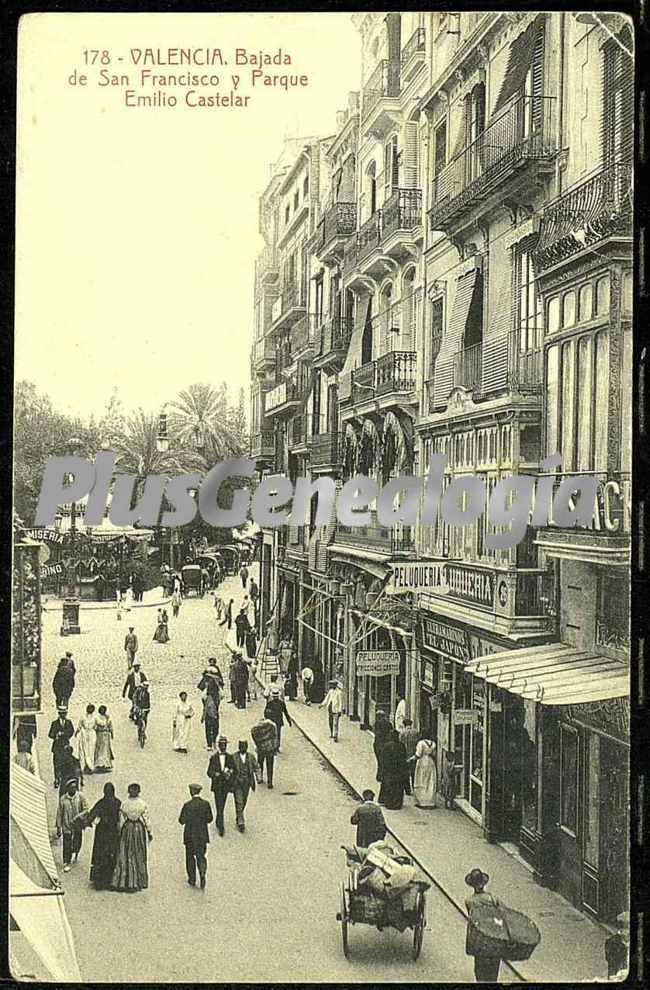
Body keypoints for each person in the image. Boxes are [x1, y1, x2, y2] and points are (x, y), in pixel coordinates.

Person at [112, 783, 153, 892]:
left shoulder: (124, 804)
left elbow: (121, 820)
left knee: (126, 854)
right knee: (138, 853)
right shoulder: (142, 804)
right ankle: (138, 881)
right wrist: (149, 832)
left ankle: (125, 881)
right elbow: (146, 819)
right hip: (138, 829)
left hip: (128, 828)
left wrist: (119, 831)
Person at [465, 868, 502, 983]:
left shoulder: (469, 901)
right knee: (493, 972)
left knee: (480, 971)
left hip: (480, 940)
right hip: (494, 938)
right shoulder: (493, 898)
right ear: (483, 884)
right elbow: (500, 915)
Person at [178, 783, 213, 888]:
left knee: (190, 857)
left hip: (189, 836)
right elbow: (210, 818)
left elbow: (181, 820)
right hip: (202, 836)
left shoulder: (187, 805)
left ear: (191, 792)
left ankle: (192, 879)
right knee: (201, 856)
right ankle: (202, 873)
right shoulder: (206, 804)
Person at [87, 782, 122, 889]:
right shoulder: (118, 803)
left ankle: (99, 880)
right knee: (111, 855)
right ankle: (110, 880)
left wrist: (87, 822)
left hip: (101, 833)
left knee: (100, 855)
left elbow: (92, 814)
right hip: (113, 833)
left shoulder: (101, 803)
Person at [56, 778, 89, 873]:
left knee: (77, 840)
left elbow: (86, 809)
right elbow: (59, 814)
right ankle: (66, 861)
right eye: (71, 788)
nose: (74, 789)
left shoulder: (80, 796)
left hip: (77, 824)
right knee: (67, 843)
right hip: (66, 825)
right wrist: (59, 827)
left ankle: (76, 852)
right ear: (68, 789)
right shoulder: (63, 799)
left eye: (75, 787)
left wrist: (79, 816)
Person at [206, 736, 235, 836]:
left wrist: (230, 772)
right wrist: (215, 774)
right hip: (217, 785)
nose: (223, 747)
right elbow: (209, 772)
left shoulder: (230, 757)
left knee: (222, 803)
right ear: (219, 746)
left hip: (226, 785)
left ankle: (219, 820)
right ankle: (220, 824)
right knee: (219, 804)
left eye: (225, 745)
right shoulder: (213, 758)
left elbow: (234, 769)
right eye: (222, 745)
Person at [377, 729, 408, 810]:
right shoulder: (401, 745)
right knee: (398, 787)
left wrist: (382, 770)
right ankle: (397, 804)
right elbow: (404, 757)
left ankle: (389, 803)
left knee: (389, 787)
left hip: (389, 770)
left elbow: (382, 758)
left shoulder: (386, 746)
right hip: (398, 770)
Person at [231, 740, 258, 832]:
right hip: (237, 783)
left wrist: (258, 778)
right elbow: (230, 768)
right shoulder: (234, 757)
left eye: (244, 747)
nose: (243, 749)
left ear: (246, 748)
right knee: (239, 801)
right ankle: (241, 821)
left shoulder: (251, 757)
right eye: (241, 747)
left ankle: (239, 815)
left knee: (244, 801)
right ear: (239, 748)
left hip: (247, 783)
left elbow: (256, 767)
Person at [48, 706, 74, 787]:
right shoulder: (54, 723)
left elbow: (71, 731)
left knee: (65, 763)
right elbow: (50, 734)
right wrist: (56, 735)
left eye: (65, 713)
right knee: (57, 764)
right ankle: (56, 779)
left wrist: (64, 734)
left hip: (65, 746)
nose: (64, 715)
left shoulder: (69, 722)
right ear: (59, 714)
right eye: (62, 713)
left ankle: (64, 778)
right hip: (57, 747)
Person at [251, 712, 278, 789]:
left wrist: (257, 743)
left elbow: (253, 732)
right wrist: (275, 747)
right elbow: (275, 737)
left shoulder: (258, 726)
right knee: (270, 765)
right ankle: (270, 781)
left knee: (260, 763)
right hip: (270, 749)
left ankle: (260, 777)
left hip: (261, 748)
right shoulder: (273, 726)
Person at [413, 736, 438, 809]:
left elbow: (418, 754)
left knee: (421, 781)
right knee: (430, 782)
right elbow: (434, 754)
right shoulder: (433, 743)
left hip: (422, 762)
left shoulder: (421, 743)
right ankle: (431, 802)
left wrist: (411, 759)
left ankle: (422, 802)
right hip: (430, 762)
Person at [373, 713, 392, 800]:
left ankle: (379, 774)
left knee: (379, 760)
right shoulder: (389, 724)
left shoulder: (377, 723)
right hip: (385, 744)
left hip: (378, 744)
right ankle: (380, 774)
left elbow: (375, 733)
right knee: (383, 760)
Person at [605, 912, 630, 980]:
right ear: (620, 929)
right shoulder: (611, 942)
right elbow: (611, 964)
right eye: (625, 928)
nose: (627, 932)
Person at [75, 704, 97, 774]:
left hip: (89, 734)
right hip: (86, 734)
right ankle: (85, 765)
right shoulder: (89, 717)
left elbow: (79, 726)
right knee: (85, 750)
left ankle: (89, 766)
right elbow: (79, 726)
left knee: (90, 750)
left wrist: (77, 732)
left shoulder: (93, 718)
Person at [399, 718, 419, 794]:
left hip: (405, 755)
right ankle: (414, 788)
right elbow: (418, 743)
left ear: (404, 725)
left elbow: (400, 744)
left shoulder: (402, 733)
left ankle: (408, 790)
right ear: (411, 724)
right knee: (414, 772)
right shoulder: (416, 732)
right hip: (414, 755)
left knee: (405, 773)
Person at [94, 705, 114, 772]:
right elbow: (95, 726)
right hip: (99, 734)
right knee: (100, 749)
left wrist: (111, 733)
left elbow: (110, 725)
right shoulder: (97, 717)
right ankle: (99, 764)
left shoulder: (108, 717)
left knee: (106, 749)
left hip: (106, 735)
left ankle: (105, 764)